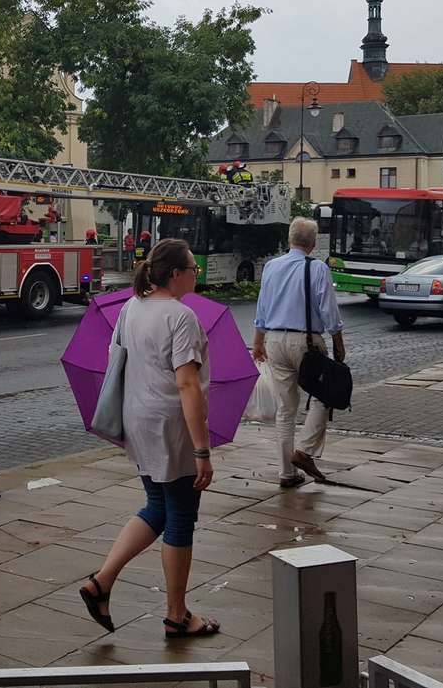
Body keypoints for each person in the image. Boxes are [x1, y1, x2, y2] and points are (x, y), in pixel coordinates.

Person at [77, 238, 220, 639]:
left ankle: (101, 582)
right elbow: (188, 385)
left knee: (157, 504)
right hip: (170, 427)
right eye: (193, 267)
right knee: (180, 518)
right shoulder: (181, 317)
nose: (197, 273)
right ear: (176, 274)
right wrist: (203, 451)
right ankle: (177, 614)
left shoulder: (130, 307)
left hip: (137, 420)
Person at [252, 217, 346, 487]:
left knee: (285, 409)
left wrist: (258, 341)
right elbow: (328, 309)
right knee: (323, 396)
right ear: (314, 243)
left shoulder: (271, 266)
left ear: (289, 239)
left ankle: (286, 473)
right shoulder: (317, 268)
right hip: (307, 343)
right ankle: (304, 451)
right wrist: (338, 340)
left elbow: (262, 306)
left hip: (275, 341)